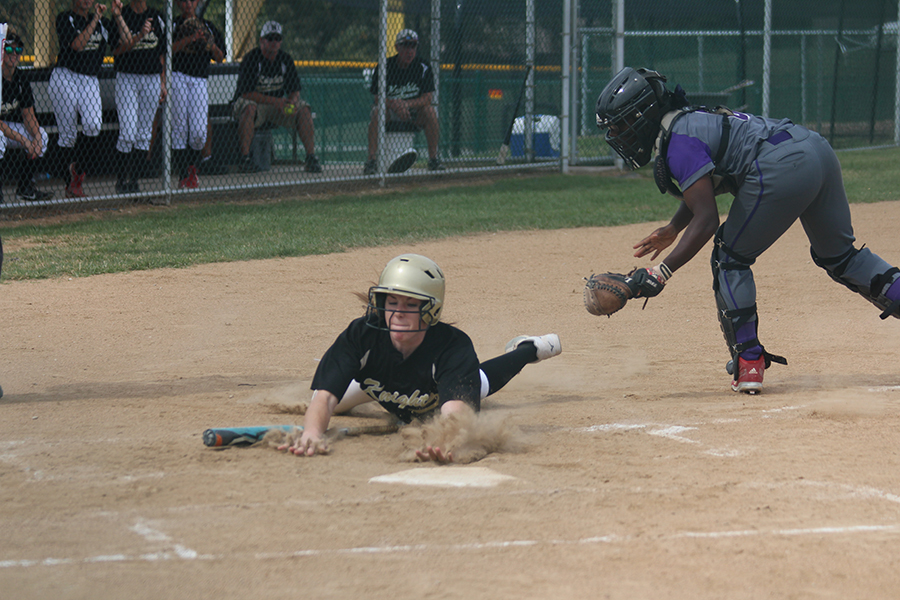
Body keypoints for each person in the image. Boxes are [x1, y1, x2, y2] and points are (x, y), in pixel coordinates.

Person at [594, 67, 900, 395]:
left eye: (622, 123)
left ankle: (749, 362)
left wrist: (661, 272)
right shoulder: (686, 122)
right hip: (815, 151)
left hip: (781, 167)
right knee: (841, 258)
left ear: (644, 114)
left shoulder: (677, 143)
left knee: (729, 258)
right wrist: (673, 228)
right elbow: (709, 187)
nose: (618, 133)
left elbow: (708, 219)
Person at [278, 253, 562, 461]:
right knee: (333, 407)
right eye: (392, 301)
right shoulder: (361, 335)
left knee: (481, 381)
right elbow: (324, 396)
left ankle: (527, 350)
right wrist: (313, 432)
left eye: (411, 303)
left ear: (432, 310)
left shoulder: (453, 348)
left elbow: (455, 415)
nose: (399, 312)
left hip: (434, 395)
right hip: (380, 385)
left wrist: (443, 442)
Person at [50, 0, 132, 198]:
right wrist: (95, 18)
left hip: (90, 79)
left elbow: (128, 42)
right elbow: (77, 44)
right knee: (68, 135)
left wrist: (118, 16)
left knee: (93, 125)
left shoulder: (103, 23)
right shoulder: (65, 18)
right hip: (65, 76)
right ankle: (71, 184)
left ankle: (77, 170)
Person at [231, 21, 321, 174]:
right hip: (255, 103)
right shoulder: (252, 59)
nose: (274, 42)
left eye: (277, 38)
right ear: (261, 40)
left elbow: (294, 90)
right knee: (249, 108)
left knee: (304, 109)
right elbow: (245, 93)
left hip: (276, 106)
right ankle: (244, 159)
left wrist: (292, 102)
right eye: (270, 38)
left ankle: (311, 157)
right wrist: (276, 101)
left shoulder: (285, 59)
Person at [364, 29, 444, 175]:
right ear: (397, 47)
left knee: (430, 111)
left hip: (413, 112)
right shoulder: (384, 66)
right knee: (377, 112)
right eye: (405, 46)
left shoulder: (423, 67)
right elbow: (377, 97)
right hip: (390, 111)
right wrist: (394, 104)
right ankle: (371, 161)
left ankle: (433, 159)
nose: (410, 51)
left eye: (413, 46)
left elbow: (427, 98)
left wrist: (406, 104)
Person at [110, 0, 165, 194]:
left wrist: (163, 82)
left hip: (151, 78)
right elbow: (116, 50)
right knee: (127, 132)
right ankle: (120, 180)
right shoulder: (121, 14)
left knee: (143, 135)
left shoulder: (157, 16)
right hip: (127, 77)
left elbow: (162, 54)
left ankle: (134, 181)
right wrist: (140, 35)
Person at [170, 0, 224, 189]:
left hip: (200, 79)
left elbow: (220, 57)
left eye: (191, 1)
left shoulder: (207, 26)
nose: (187, 4)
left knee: (199, 132)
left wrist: (208, 43)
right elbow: (167, 51)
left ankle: (192, 168)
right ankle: (185, 175)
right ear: (177, 4)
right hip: (178, 77)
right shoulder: (173, 23)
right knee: (179, 129)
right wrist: (189, 39)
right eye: (183, 1)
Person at [1, 32, 52, 202]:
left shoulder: (21, 77)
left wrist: (36, 137)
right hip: (2, 128)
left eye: (18, 50)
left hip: (10, 127)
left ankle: (25, 188)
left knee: (43, 136)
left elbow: (28, 115)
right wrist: (24, 140)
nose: (14, 54)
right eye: (9, 49)